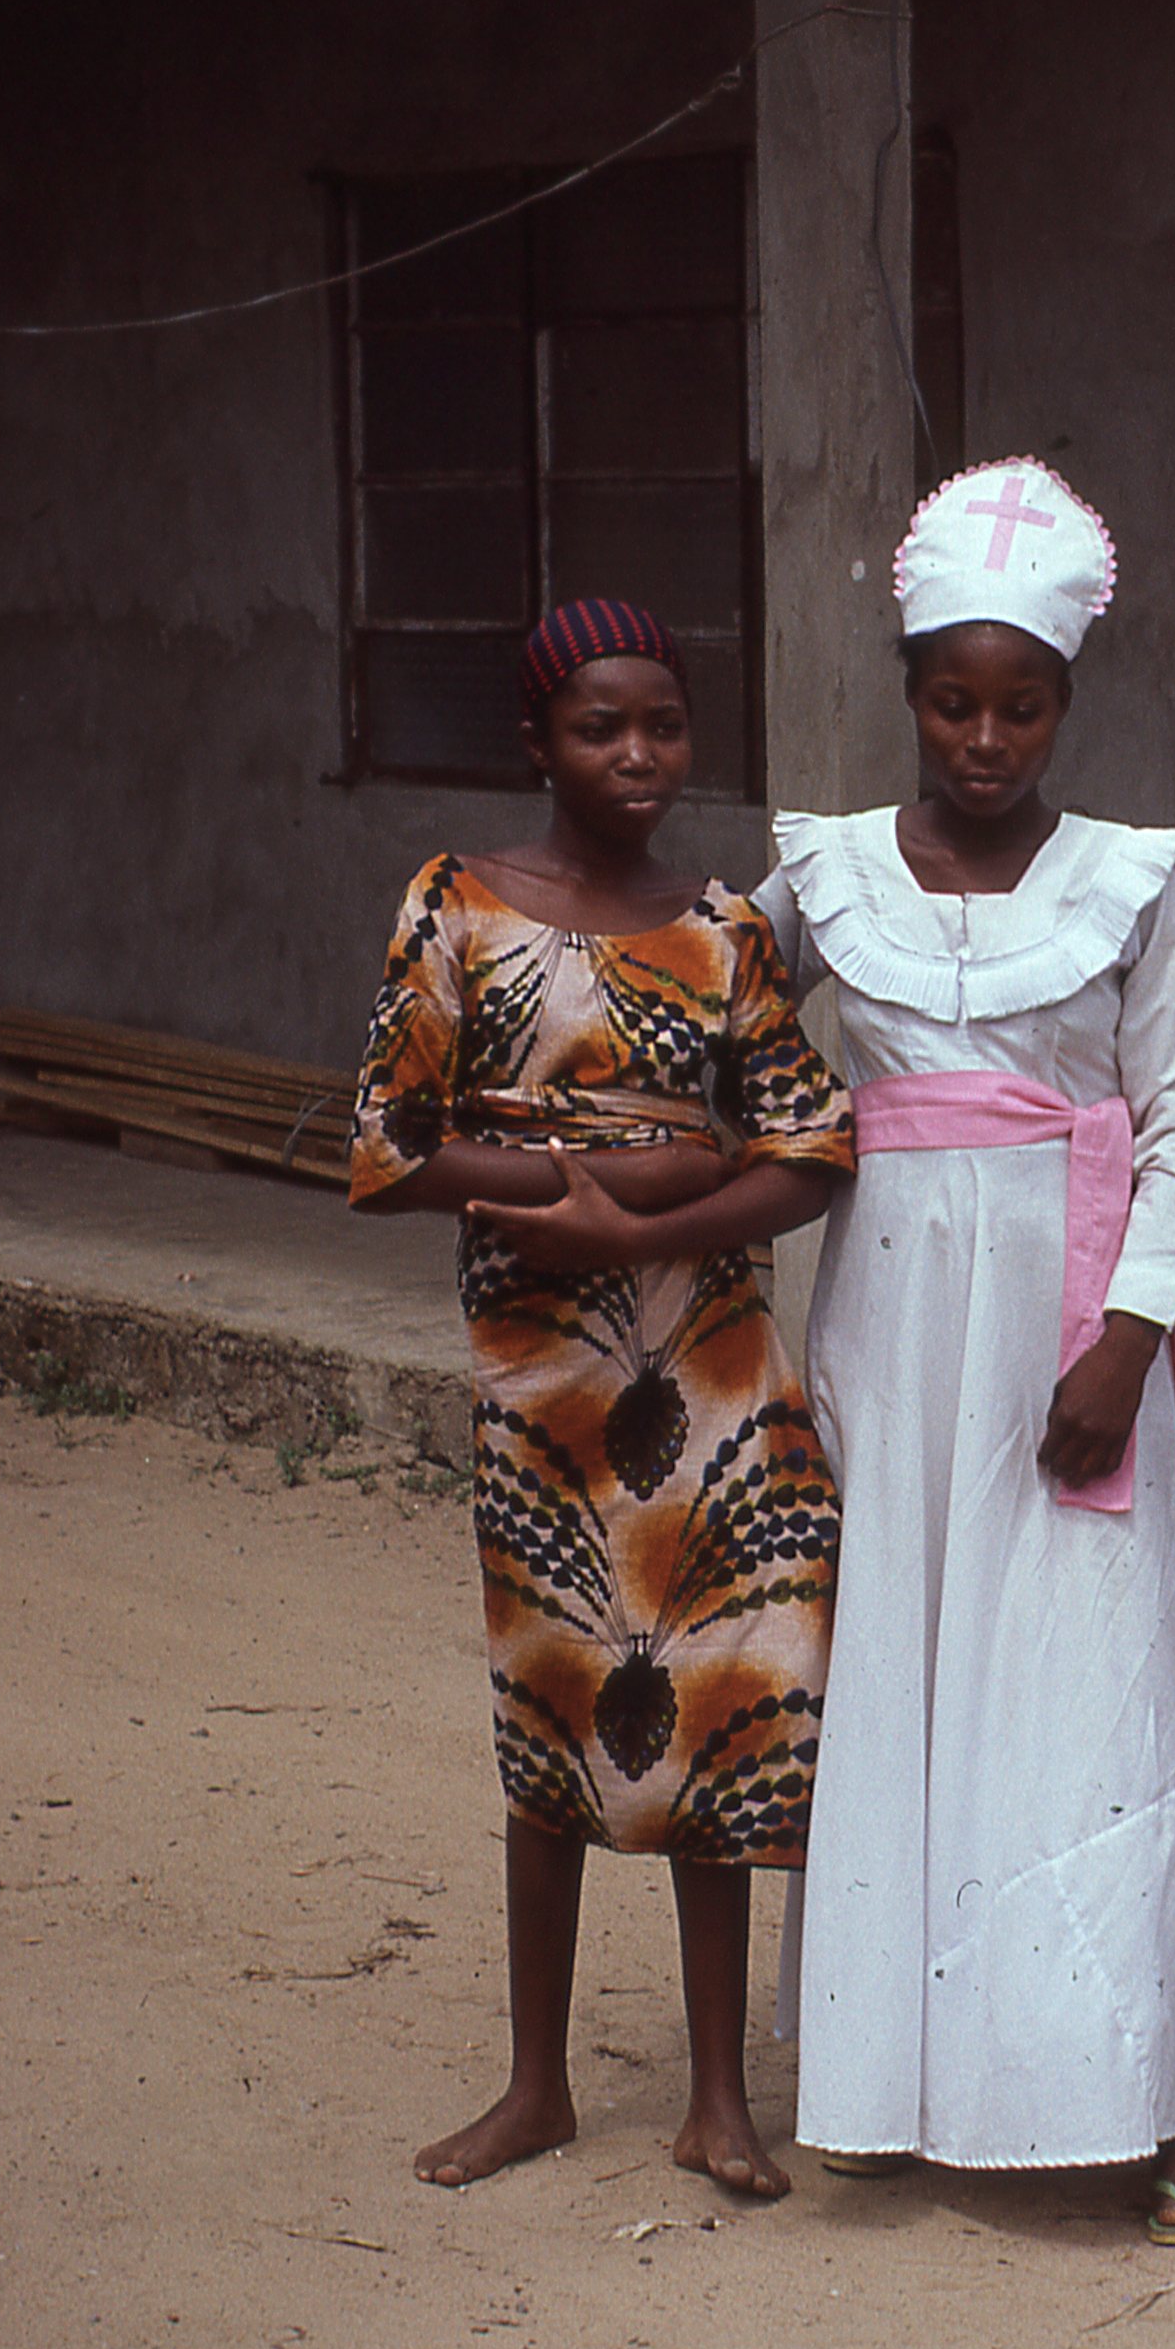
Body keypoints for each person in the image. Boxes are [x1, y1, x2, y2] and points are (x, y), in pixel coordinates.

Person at [756, 461, 1175, 2246]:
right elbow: (713, 1028)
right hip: (895, 1326)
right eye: (955, 703)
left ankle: (1153, 2091)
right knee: (908, 1658)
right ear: (909, 694)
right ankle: (900, 2076)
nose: (986, 739)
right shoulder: (821, 879)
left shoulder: (1127, 887)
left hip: (1071, 1326)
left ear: (1063, 704)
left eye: (1022, 705)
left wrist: (1130, 1334)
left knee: (1091, 1675)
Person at [349, 598, 854, 2200]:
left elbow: (812, 1151)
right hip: (543, 1372)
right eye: (599, 728)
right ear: (537, 742)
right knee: (551, 1693)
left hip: (713, 1361)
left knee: (719, 1688)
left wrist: (644, 1222)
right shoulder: (455, 904)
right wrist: (611, 1180)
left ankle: (717, 2099)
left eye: (663, 726)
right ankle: (536, 2087)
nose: (638, 755)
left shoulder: (723, 930)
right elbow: (391, 1147)